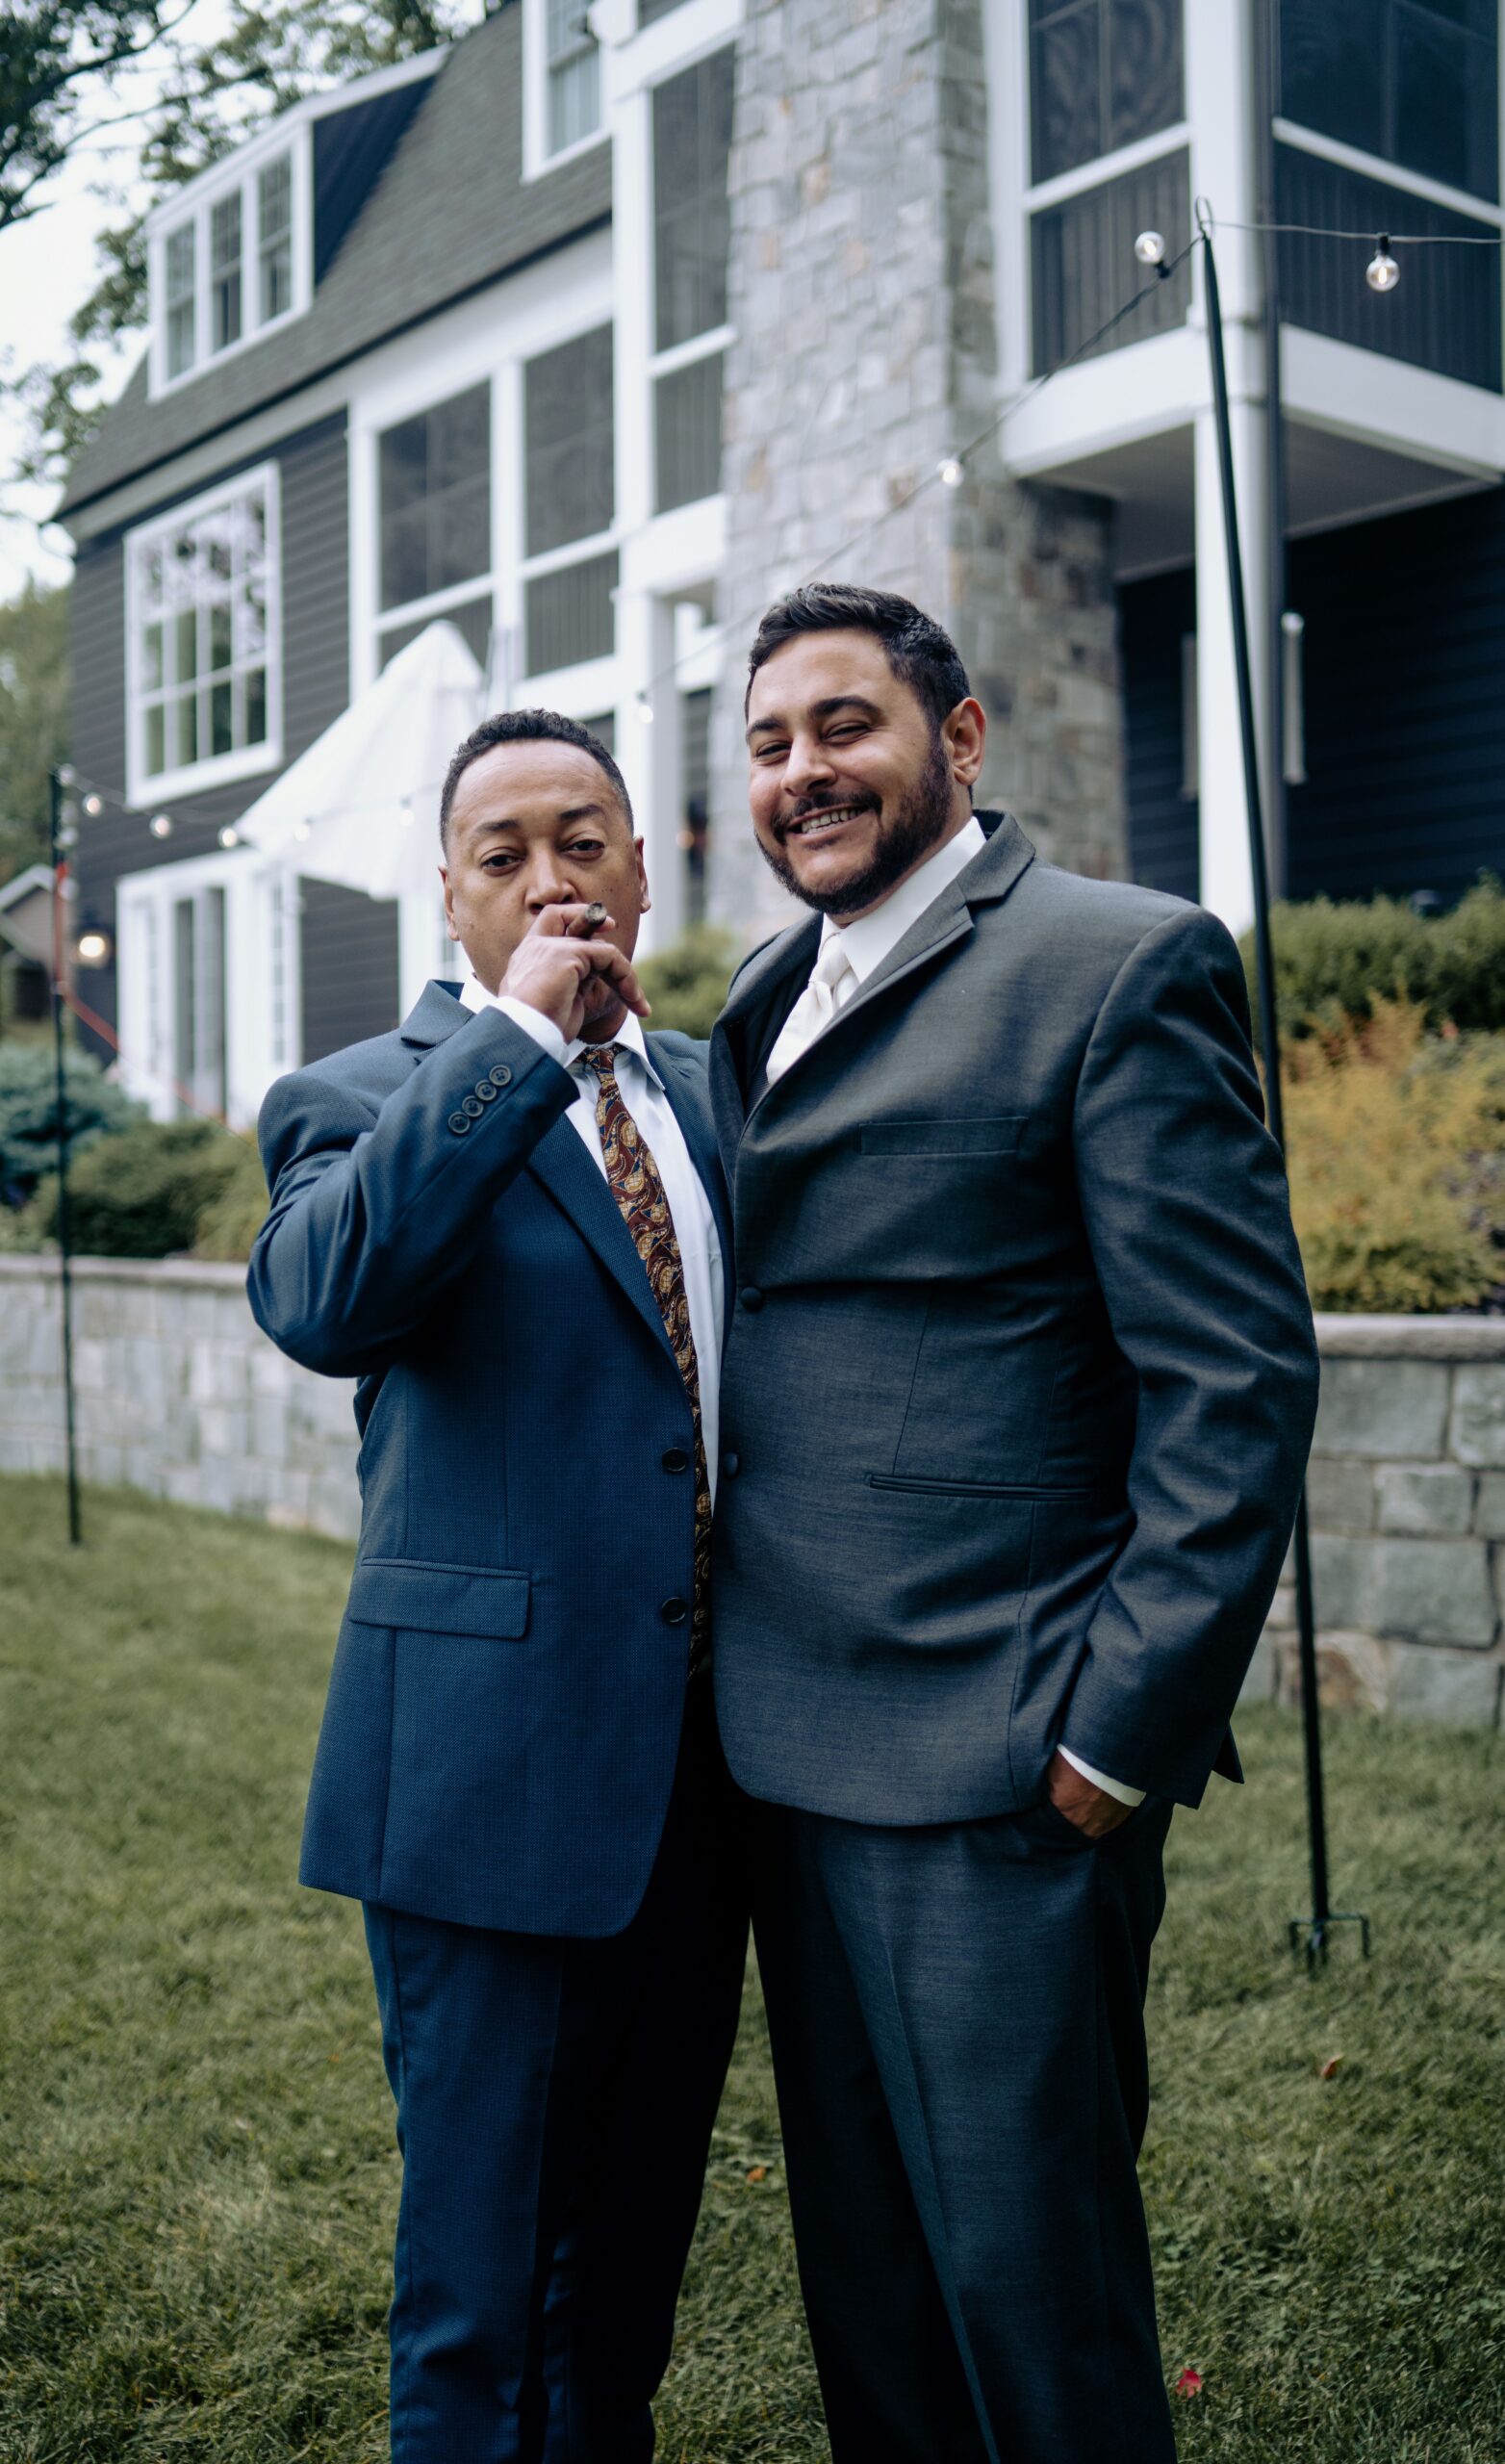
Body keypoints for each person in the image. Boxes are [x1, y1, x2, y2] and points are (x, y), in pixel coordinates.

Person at [707, 583, 1320, 2464]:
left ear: (956, 741)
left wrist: (1107, 1736)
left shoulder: (1112, 962)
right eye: (766, 743)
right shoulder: (756, 995)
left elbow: (1233, 1383)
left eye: (841, 724)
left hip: (998, 1762)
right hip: (786, 1754)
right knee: (868, 2295)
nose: (801, 771)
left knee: (1026, 2297)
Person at [248, 709, 746, 2464]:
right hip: (487, 1779)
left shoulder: (705, 1086)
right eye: (505, 852)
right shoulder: (363, 1098)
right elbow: (326, 1299)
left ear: (644, 856)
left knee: (623, 2290)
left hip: (705, 1778)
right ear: (450, 895)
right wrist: (525, 1034)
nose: (555, 878)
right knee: (481, 2295)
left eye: (585, 838)